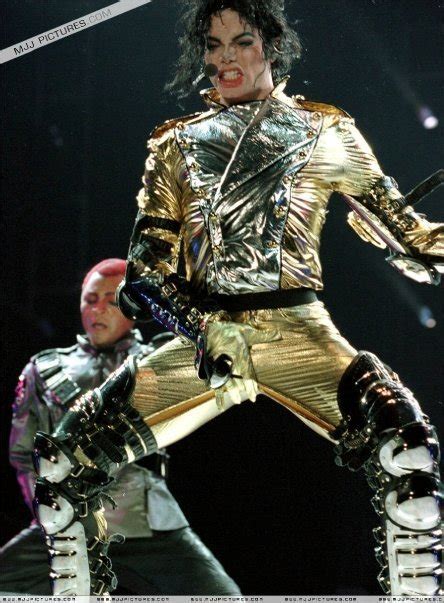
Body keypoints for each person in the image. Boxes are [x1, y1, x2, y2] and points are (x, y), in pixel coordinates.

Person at [32, 1, 443, 597]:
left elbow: (411, 235)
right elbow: (143, 275)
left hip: (298, 332)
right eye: (213, 44)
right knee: (63, 463)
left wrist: (428, 249)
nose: (224, 57)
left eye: (241, 42)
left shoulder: (327, 130)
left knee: (407, 452)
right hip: (205, 339)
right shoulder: (176, 143)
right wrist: (203, 329)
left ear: (271, 47)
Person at [0, 258, 240, 596]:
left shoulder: (157, 359)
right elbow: (23, 454)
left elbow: (217, 355)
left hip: (148, 525)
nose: (98, 309)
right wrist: (51, 518)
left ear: (132, 307)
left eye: (112, 301)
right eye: (90, 299)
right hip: (66, 527)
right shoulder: (43, 368)